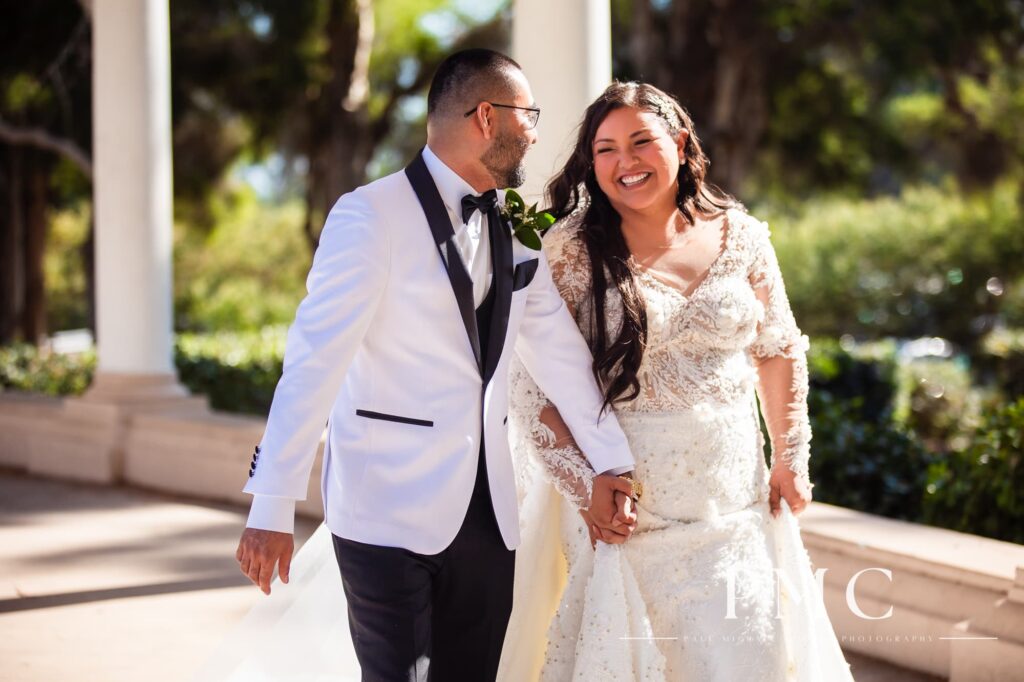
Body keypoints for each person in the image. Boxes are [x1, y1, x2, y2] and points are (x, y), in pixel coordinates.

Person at [232, 50, 640, 682]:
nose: (534, 129)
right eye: (527, 114)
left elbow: (558, 353)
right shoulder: (369, 216)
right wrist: (271, 506)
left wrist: (610, 459)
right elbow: (313, 366)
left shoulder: (516, 226)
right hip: (384, 506)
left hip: (489, 514)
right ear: (486, 117)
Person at [500, 81, 855, 681]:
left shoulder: (743, 237)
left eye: (642, 141)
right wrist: (586, 485)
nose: (625, 162)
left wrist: (791, 454)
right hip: (628, 511)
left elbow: (778, 348)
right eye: (606, 149)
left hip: (735, 505)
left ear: (682, 142)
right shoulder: (567, 249)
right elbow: (531, 389)